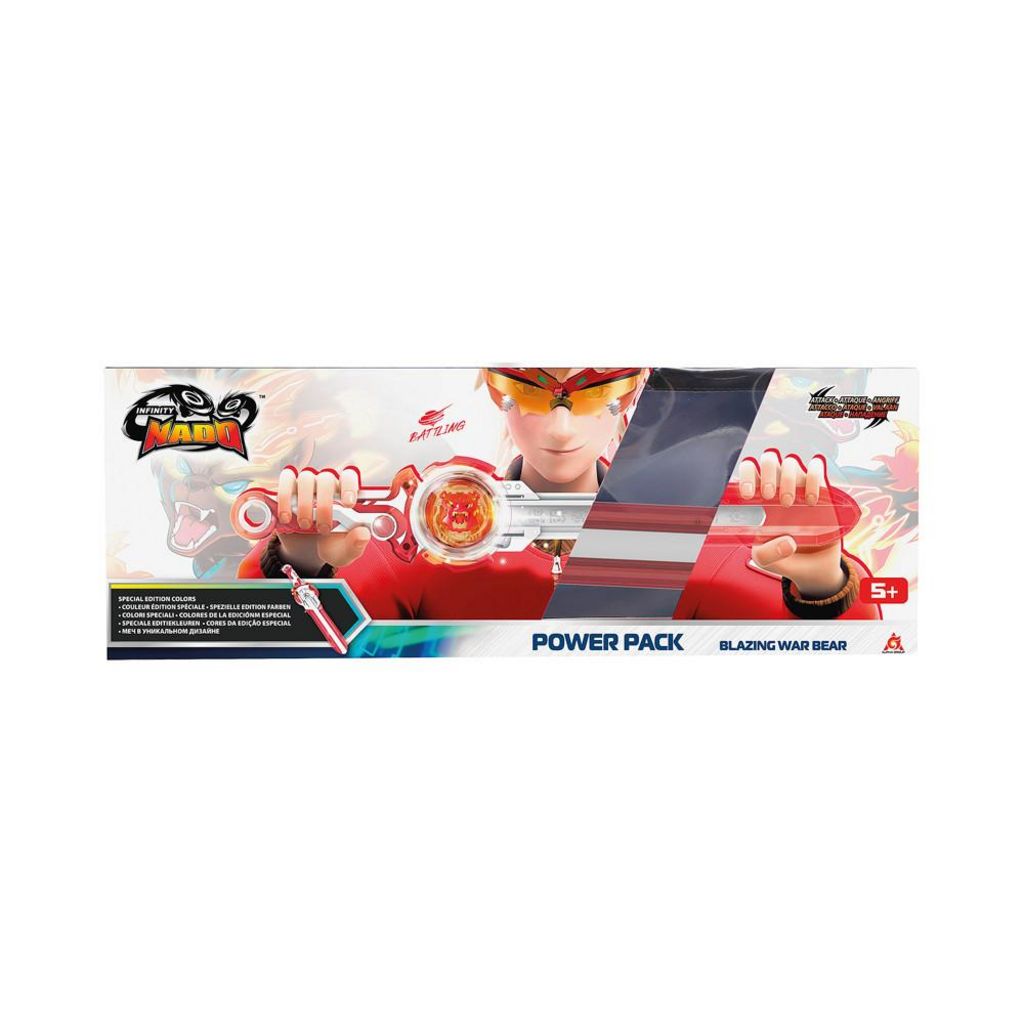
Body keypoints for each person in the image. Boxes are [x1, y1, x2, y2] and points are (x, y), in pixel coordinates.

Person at [237, 368, 644, 618]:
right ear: (495, 388)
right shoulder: (425, 525)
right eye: (528, 391)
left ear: (635, 386)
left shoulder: (670, 544)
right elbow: (267, 640)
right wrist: (297, 564)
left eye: (596, 392)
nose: (561, 429)